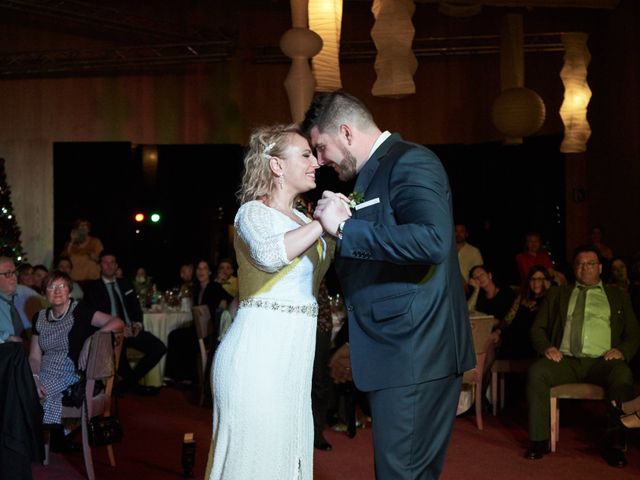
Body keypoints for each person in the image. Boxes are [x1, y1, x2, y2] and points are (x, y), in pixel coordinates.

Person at [303, 91, 475, 479]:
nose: (320, 160)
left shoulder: (410, 161)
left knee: (400, 474)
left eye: (322, 147)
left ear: (346, 132)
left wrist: (346, 227)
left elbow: (432, 240)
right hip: (400, 351)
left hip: (416, 352)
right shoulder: (374, 173)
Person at [206, 124, 331, 480]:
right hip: (255, 360)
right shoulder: (252, 214)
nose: (315, 163)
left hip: (293, 361)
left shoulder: (306, 220)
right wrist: (323, 223)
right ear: (276, 166)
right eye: (305, 155)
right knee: (253, 464)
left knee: (284, 462)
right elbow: (269, 254)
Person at [525, 245, 639, 468]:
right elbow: (537, 329)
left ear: (599, 267)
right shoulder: (558, 294)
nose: (584, 268)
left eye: (590, 264)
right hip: (565, 360)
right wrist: (547, 347)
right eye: (579, 264)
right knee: (537, 372)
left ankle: (614, 444)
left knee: (623, 375)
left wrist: (622, 351)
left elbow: (633, 333)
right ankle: (539, 440)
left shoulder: (617, 296)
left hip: (602, 361)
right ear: (574, 268)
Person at [28, 271, 123, 435]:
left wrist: (93, 338)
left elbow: (117, 322)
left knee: (25, 395)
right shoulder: (39, 317)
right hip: (45, 370)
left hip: (70, 373)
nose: (57, 291)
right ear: (44, 293)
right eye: (51, 287)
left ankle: (25, 445)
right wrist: (35, 378)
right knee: (19, 387)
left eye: (62, 286)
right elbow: (34, 357)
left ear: (69, 291)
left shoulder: (80, 310)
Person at [83, 252, 166, 395]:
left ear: (116, 266)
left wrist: (137, 325)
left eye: (112, 262)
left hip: (131, 330)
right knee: (118, 353)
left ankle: (127, 384)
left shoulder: (125, 284)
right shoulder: (93, 288)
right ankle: (134, 386)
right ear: (100, 266)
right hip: (111, 333)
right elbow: (93, 316)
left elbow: (136, 309)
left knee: (159, 347)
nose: (109, 265)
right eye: (105, 262)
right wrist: (118, 328)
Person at [499, 265, 551, 359]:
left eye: (540, 279)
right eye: (532, 279)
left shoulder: (549, 298)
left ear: (546, 281)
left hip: (533, 341)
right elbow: (509, 318)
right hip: (514, 338)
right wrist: (498, 331)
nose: (535, 283)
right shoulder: (522, 297)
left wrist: (548, 291)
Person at [0, 256, 25, 344]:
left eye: (15, 272)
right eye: (8, 273)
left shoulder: (23, 295)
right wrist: (7, 337)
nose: (14, 277)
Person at [455, 223, 483, 291]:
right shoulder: (446, 250)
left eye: (461, 231)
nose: (458, 234)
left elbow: (479, 273)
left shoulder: (474, 251)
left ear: (466, 234)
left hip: (465, 290)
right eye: (456, 231)